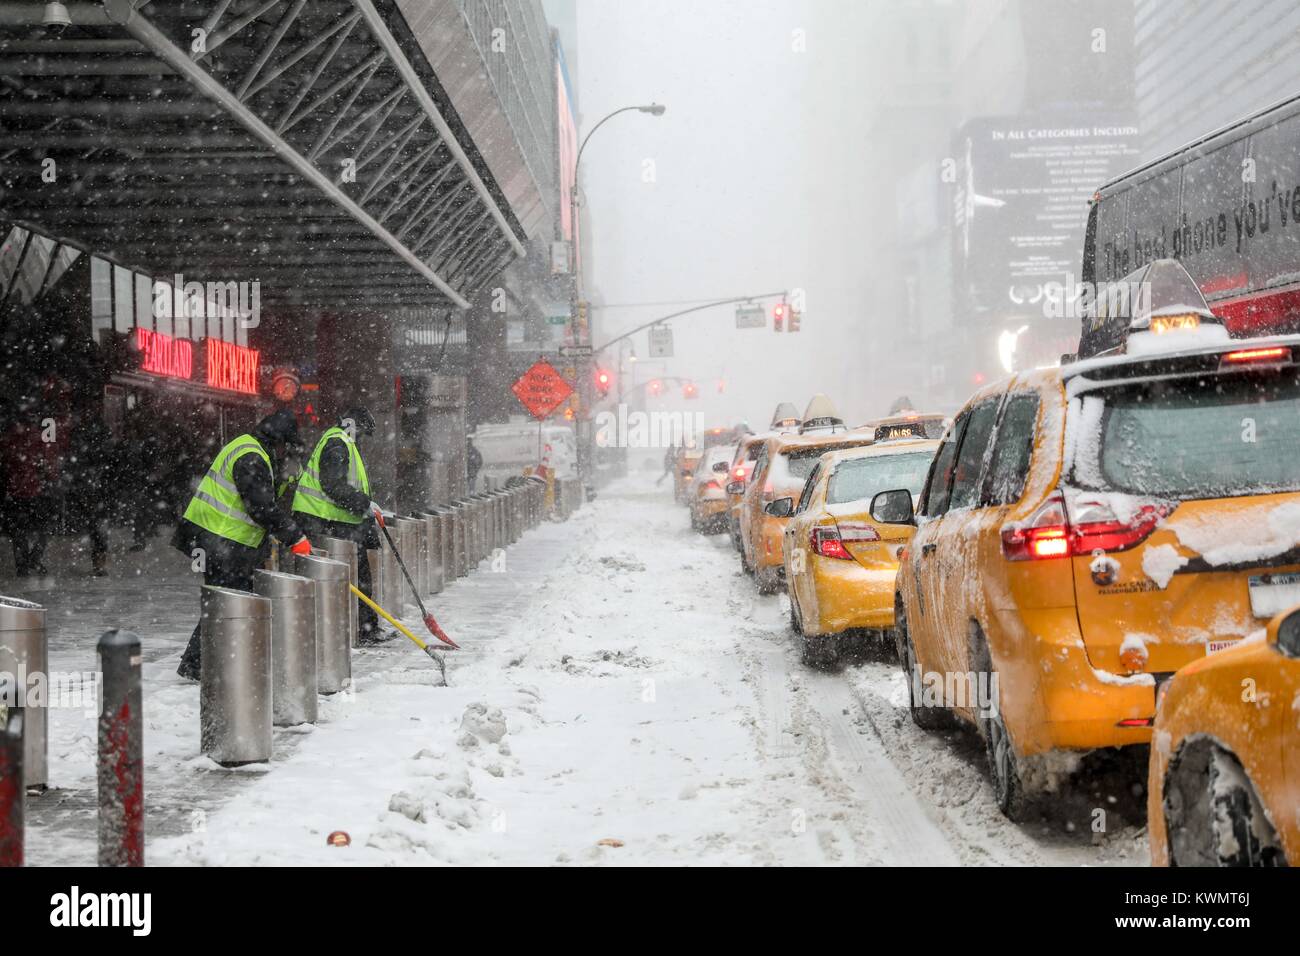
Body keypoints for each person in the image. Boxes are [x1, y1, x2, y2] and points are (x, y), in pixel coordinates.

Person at [173, 409, 312, 680]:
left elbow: (265, 502)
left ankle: (204, 661)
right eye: (286, 445)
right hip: (219, 538)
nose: (286, 452)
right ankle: (199, 664)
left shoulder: (251, 448)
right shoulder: (252, 456)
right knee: (228, 599)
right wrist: (294, 535)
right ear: (278, 440)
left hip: (216, 537)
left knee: (227, 598)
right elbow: (259, 506)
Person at [292, 406, 385, 645]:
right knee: (353, 576)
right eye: (362, 432)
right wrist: (363, 504)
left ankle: (365, 626)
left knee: (359, 574)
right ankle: (360, 629)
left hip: (336, 521)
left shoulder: (343, 443)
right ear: (352, 425)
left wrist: (367, 508)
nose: (362, 438)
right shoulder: (338, 444)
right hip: (324, 521)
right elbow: (333, 485)